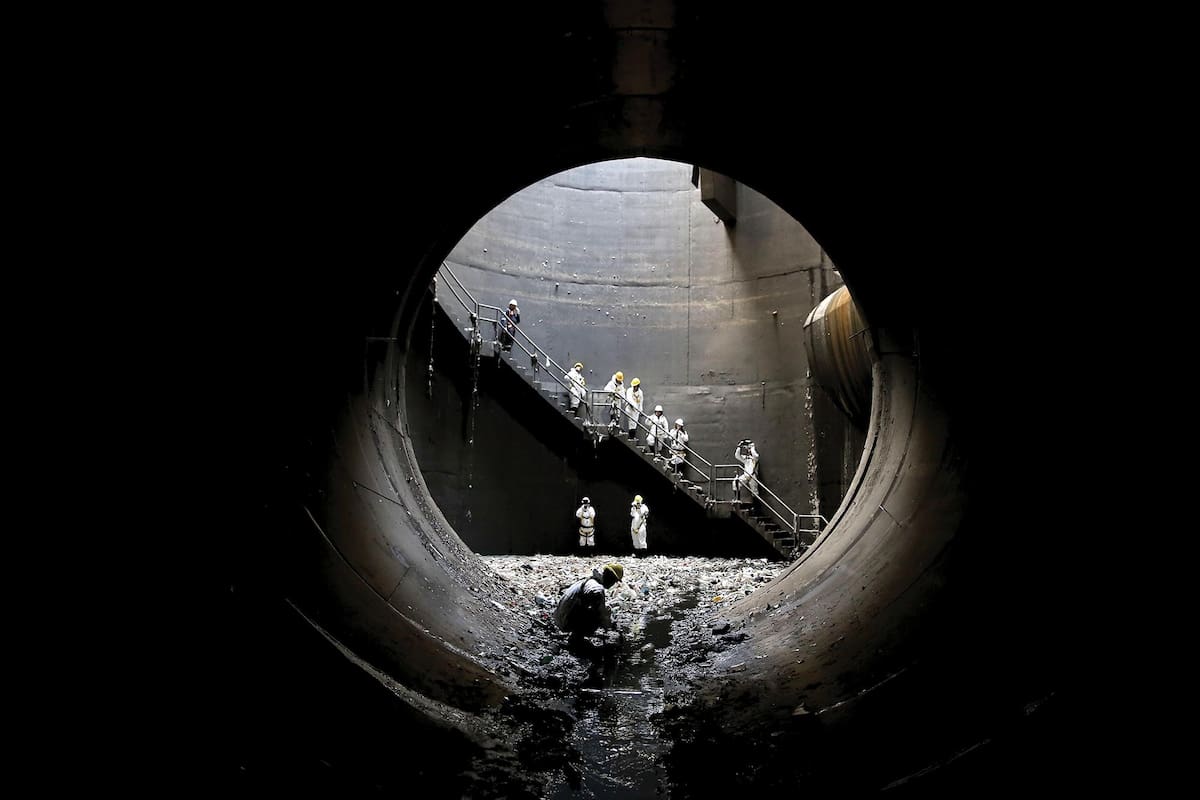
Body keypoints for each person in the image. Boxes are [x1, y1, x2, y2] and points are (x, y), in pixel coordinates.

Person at [553, 563, 624, 638]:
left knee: (601, 609)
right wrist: (608, 625)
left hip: (559, 617)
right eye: (614, 581)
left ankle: (576, 635)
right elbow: (599, 611)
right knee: (596, 614)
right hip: (565, 621)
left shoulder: (590, 581)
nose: (613, 584)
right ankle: (577, 638)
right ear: (610, 577)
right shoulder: (596, 589)